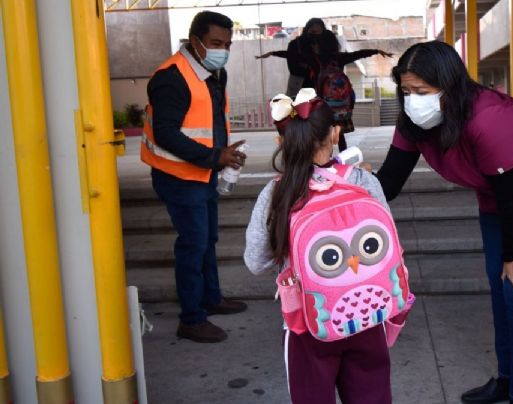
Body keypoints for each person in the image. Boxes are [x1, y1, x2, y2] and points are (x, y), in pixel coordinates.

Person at [374, 41, 513, 404]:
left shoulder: (489, 118)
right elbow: (389, 182)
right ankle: (506, 379)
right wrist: (344, 189)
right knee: (498, 282)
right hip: (497, 196)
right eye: (406, 91)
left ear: (450, 85)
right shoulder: (413, 122)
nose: (413, 100)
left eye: (422, 91)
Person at [243, 89, 394, 404]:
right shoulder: (364, 182)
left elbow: (256, 261)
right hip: (366, 314)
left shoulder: (276, 194)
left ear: (281, 142)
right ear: (336, 132)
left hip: (308, 323)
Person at [141, 11, 248, 343]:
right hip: (178, 176)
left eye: (228, 44)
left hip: (203, 173)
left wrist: (222, 154)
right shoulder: (171, 77)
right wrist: (216, 156)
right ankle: (191, 318)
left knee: (208, 241)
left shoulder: (215, 72)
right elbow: (166, 134)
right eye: (216, 43)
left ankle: (210, 298)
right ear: (195, 41)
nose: (223, 50)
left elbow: (208, 122)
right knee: (192, 245)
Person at [258, 28, 392, 151]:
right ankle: (343, 156)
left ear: (317, 46)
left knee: (318, 131)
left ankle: (319, 157)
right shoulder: (339, 57)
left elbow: (292, 55)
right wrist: (377, 51)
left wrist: (272, 53)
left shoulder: (313, 59)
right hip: (340, 104)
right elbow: (359, 54)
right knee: (339, 133)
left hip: (323, 102)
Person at [256, 18, 327, 96]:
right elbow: (293, 67)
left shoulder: (326, 45)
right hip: (299, 86)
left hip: (320, 88)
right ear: (307, 30)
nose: (316, 36)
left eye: (319, 32)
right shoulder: (296, 44)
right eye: (313, 32)